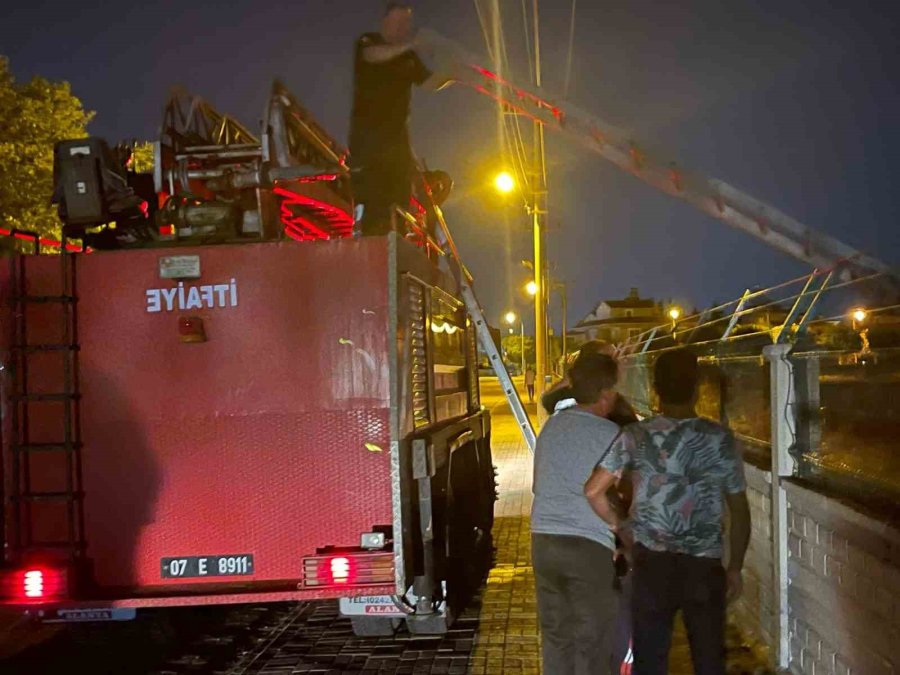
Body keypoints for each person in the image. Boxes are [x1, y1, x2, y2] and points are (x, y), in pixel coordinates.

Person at [585, 349, 751, 675]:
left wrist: (624, 530)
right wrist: (734, 568)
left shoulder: (636, 435)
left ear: (655, 388)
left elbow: (593, 491)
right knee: (709, 662)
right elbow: (739, 510)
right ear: (697, 387)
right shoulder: (719, 438)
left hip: (651, 566)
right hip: (703, 567)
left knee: (650, 661)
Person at [531, 352, 624, 674]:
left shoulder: (551, 427)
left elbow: (538, 485)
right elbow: (615, 492)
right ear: (606, 394)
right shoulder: (611, 435)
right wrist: (618, 527)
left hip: (543, 543)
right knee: (593, 641)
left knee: (557, 638)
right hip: (588, 546)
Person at [349, 3, 432, 236]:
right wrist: (411, 44)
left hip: (398, 142)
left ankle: (397, 239)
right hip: (368, 140)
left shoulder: (409, 57)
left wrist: (456, 75)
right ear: (385, 22)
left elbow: (430, 82)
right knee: (373, 199)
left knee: (399, 199)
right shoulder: (368, 41)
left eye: (406, 23)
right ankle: (367, 233)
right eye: (397, 22)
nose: (401, 28)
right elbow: (372, 55)